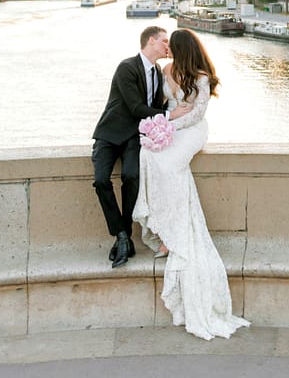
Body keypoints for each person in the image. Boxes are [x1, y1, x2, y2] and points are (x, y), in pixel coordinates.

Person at [133, 27, 250, 341]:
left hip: (192, 131)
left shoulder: (201, 77)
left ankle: (175, 233)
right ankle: (164, 227)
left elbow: (196, 115)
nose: (168, 49)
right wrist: (164, 120)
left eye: (172, 45)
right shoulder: (166, 71)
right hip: (171, 127)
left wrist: (169, 122)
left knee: (171, 165)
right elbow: (163, 105)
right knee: (149, 156)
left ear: (183, 48)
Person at [92, 25, 191, 268]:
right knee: (101, 180)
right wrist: (170, 115)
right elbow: (136, 107)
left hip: (133, 137)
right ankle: (122, 235)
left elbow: (157, 104)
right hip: (109, 134)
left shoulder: (158, 72)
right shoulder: (127, 67)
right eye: (164, 41)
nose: (168, 46)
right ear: (151, 41)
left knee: (131, 177)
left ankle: (123, 237)